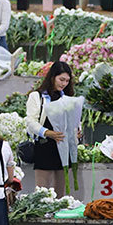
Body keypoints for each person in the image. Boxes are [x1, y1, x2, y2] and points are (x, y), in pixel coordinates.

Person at [25, 61, 76, 197]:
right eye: (61, 79)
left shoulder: (68, 97)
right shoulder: (36, 96)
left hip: (64, 148)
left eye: (67, 81)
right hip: (44, 147)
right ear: (52, 77)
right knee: (42, 192)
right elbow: (31, 121)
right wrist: (48, 133)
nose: (63, 84)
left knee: (61, 192)